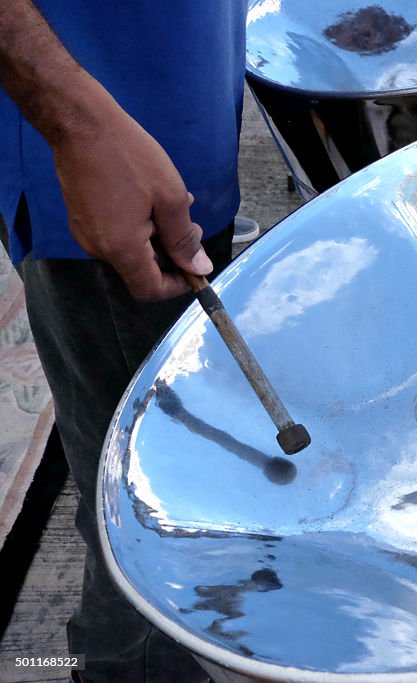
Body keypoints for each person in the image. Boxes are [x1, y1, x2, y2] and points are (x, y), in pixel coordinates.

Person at [0, 2, 246, 681]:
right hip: (102, 151)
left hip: (183, 103)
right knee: (149, 512)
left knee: (186, 474)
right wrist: (73, 120)